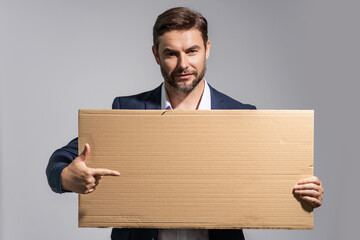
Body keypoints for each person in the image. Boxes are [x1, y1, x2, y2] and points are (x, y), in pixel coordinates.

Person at [46, 7, 323, 240]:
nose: (183, 64)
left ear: (207, 50)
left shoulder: (241, 115)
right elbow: (60, 162)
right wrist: (65, 178)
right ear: (156, 55)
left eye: (192, 51)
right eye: (171, 54)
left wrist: (304, 191)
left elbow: (269, 182)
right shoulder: (127, 110)